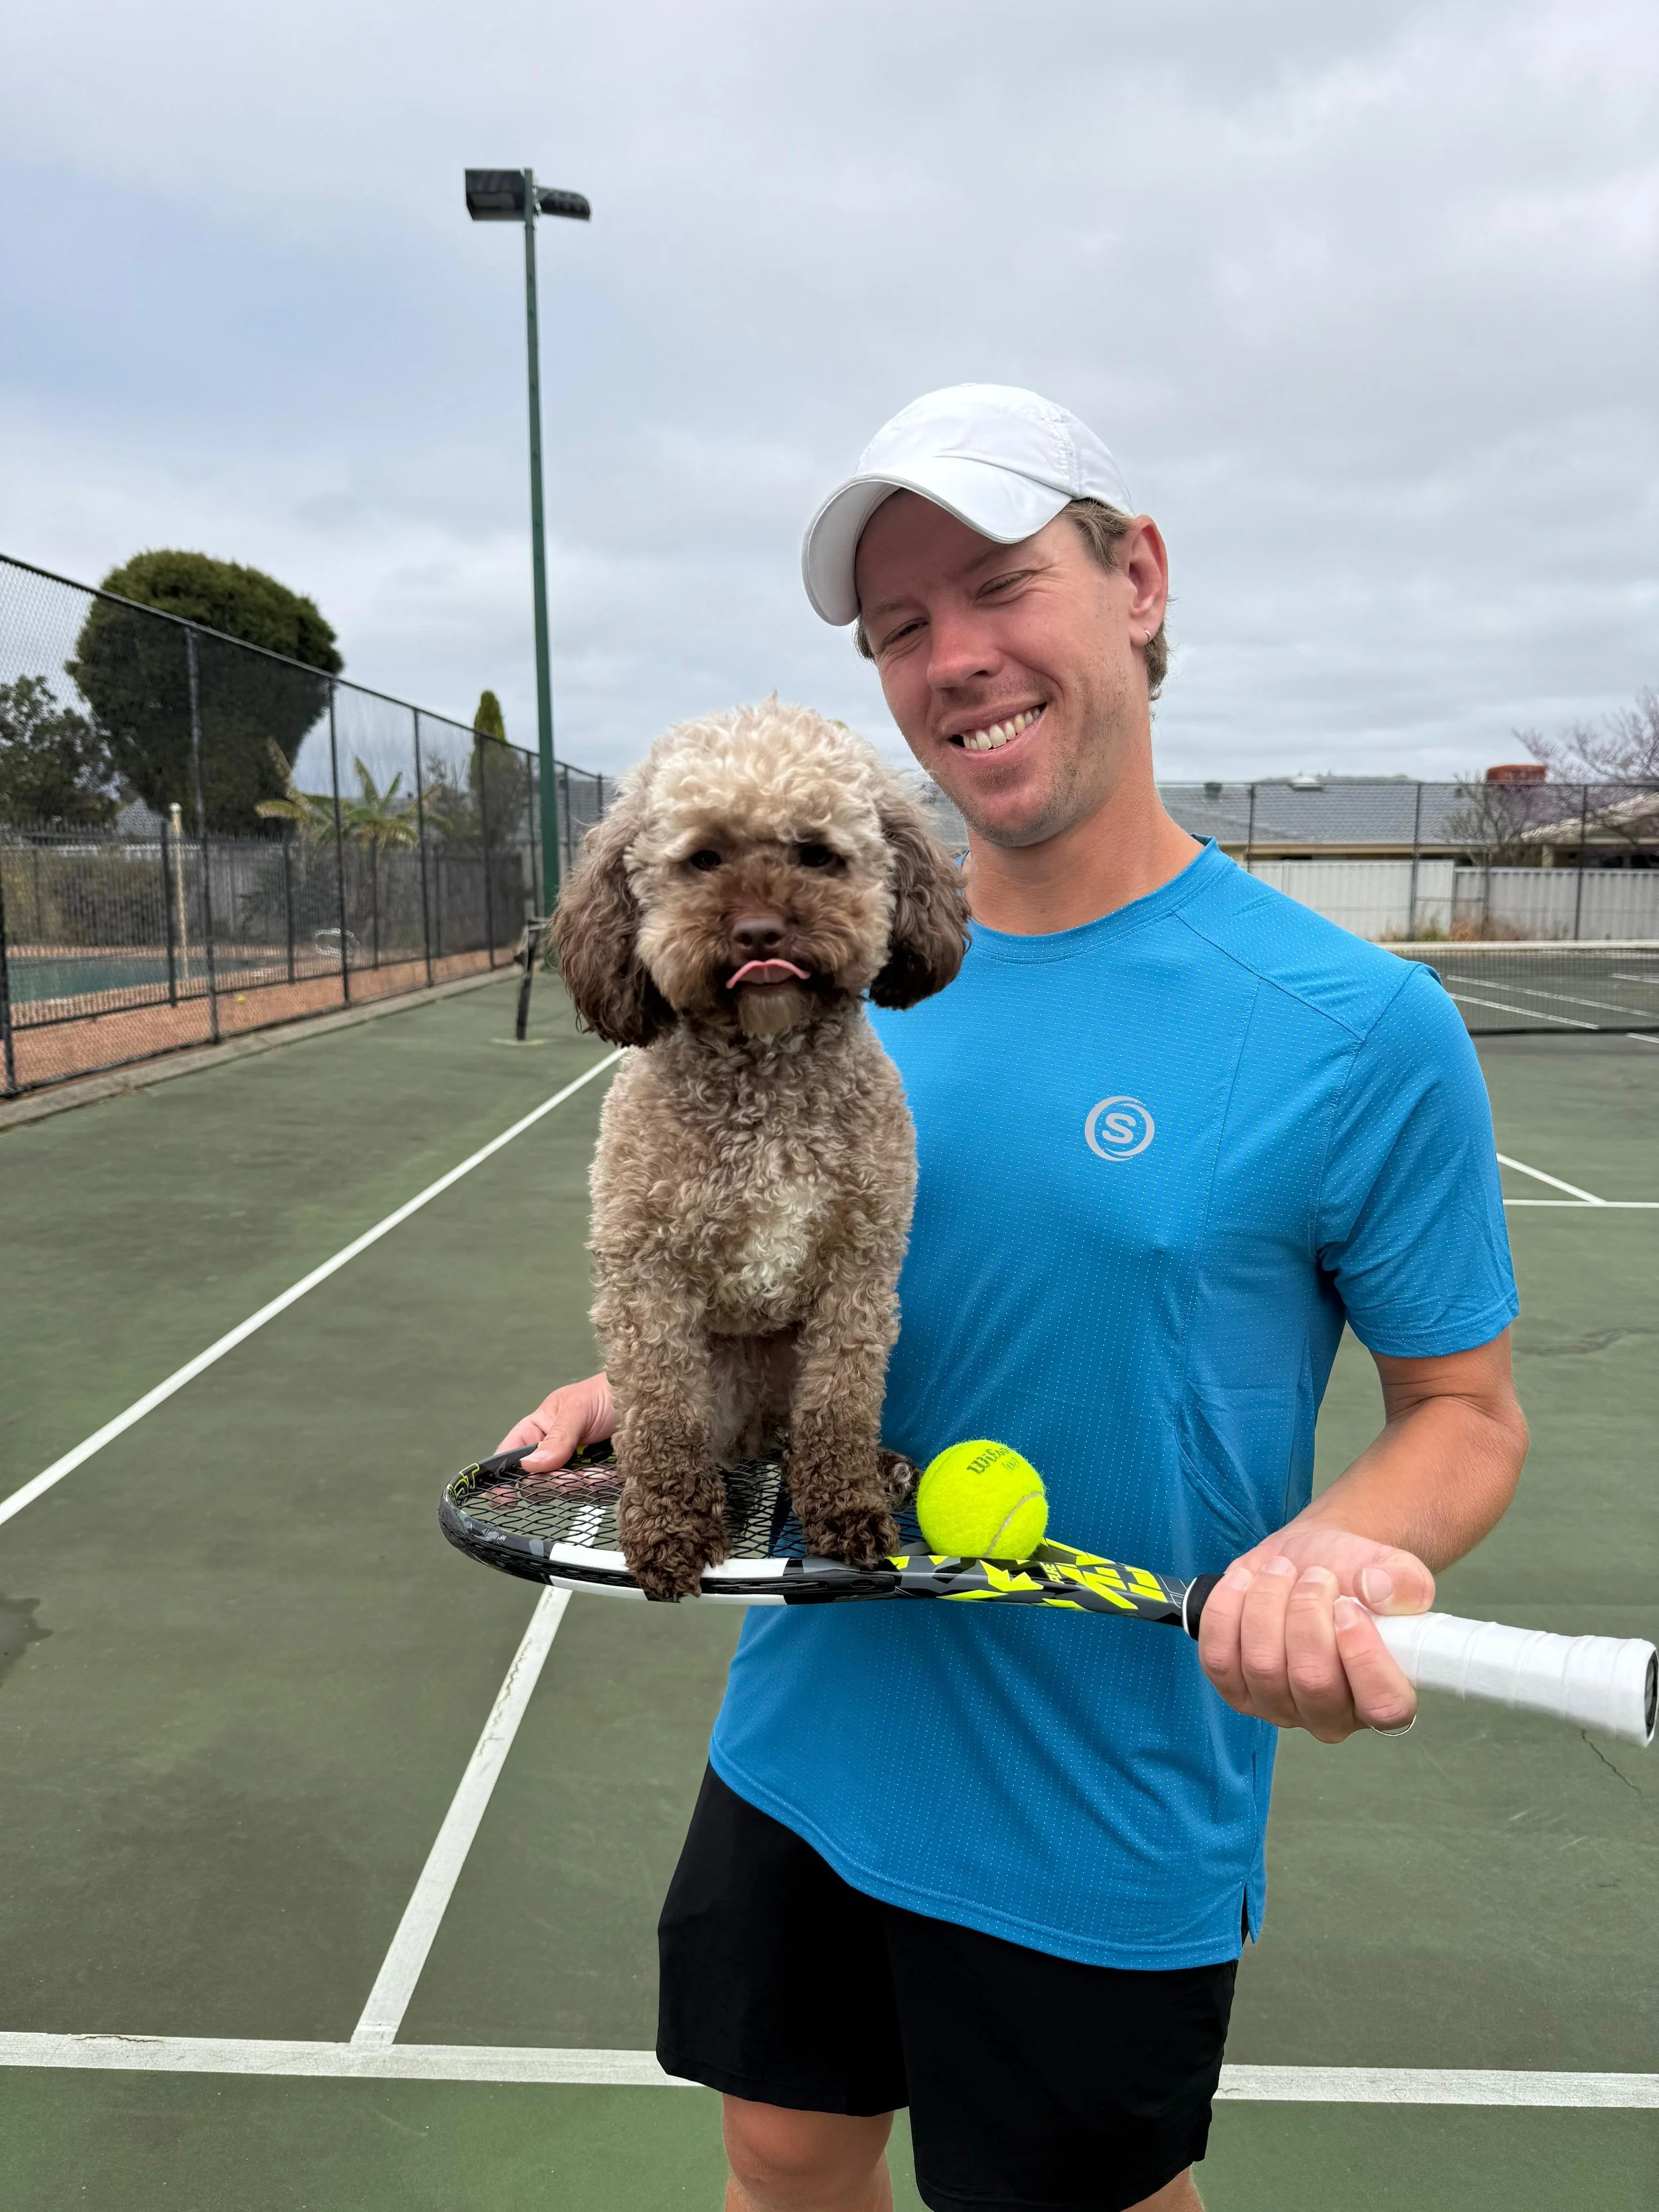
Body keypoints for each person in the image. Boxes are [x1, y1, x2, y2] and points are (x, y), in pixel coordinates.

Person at [500, 385, 1528, 2212]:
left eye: (999, 585)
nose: (953, 656)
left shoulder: (1359, 1025)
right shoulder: (830, 985)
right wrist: (649, 1384)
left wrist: (1332, 1554)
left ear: (1138, 580)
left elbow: (1464, 1414)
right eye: (901, 624)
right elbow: (794, 1282)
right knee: (780, 2157)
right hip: (807, 1733)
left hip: (1100, 1797)